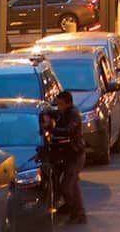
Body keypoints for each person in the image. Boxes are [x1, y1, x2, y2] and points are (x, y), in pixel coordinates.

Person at [41, 91, 87, 224]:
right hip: (65, 155)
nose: (59, 107)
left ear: (68, 103)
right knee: (72, 186)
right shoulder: (62, 113)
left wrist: (51, 129)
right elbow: (52, 111)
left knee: (67, 186)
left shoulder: (74, 115)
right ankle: (73, 209)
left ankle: (78, 213)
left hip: (75, 154)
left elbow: (69, 131)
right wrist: (46, 113)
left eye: (61, 104)